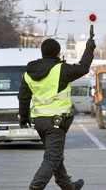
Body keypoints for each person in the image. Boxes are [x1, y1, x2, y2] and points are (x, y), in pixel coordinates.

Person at [18, 36, 96, 190]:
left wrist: (24, 117)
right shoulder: (61, 70)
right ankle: (35, 187)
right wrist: (89, 49)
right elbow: (83, 67)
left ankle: (67, 186)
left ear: (42, 52)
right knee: (52, 157)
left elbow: (23, 97)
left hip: (39, 122)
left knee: (55, 155)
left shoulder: (29, 72)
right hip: (56, 122)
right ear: (58, 53)